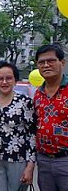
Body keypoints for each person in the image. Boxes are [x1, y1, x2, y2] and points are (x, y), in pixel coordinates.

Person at [0, 61, 36, 191]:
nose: (4, 82)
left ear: (15, 80)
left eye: (8, 78)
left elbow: (32, 134)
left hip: (18, 158)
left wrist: (30, 165)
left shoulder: (25, 102)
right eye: (0, 78)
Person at [33, 44, 68, 191]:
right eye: (41, 62)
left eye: (51, 61)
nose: (46, 65)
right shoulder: (37, 94)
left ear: (62, 62)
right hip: (43, 160)